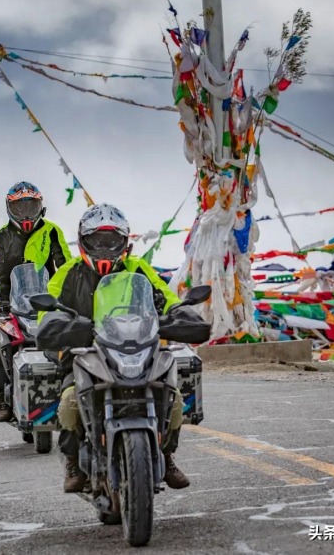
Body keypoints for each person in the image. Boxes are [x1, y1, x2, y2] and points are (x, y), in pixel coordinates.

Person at [36, 202, 209, 493]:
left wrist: (179, 311)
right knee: (69, 401)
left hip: (136, 346)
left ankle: (166, 456)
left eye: (111, 241)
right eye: (97, 241)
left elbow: (164, 296)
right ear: (83, 241)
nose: (104, 248)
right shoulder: (67, 272)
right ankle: (73, 462)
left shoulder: (138, 269)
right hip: (85, 351)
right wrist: (58, 326)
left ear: (124, 242)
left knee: (174, 397)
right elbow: (48, 312)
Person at [0, 181, 72, 422]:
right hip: (8, 301)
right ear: (9, 209)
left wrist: (70, 290)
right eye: (19, 208)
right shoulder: (1, 236)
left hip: (45, 300)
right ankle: (1, 395)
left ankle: (67, 387)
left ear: (41, 206)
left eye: (30, 206)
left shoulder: (52, 231)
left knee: (70, 332)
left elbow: (66, 265)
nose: (25, 214)